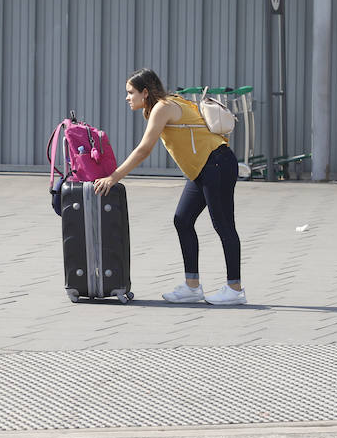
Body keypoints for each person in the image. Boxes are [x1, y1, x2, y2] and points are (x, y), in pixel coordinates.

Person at [93, 68, 245, 305]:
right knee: (182, 220)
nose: (127, 97)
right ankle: (192, 287)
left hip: (216, 164)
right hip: (204, 169)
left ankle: (235, 289)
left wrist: (114, 177)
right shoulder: (165, 105)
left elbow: (144, 149)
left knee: (224, 225)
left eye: (130, 92)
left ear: (145, 93)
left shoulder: (162, 107)